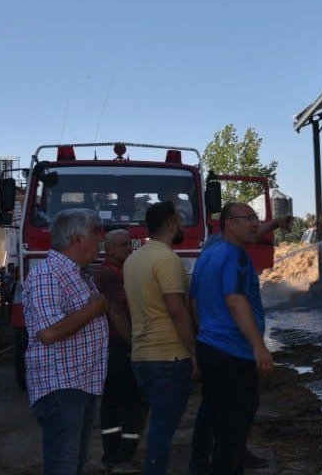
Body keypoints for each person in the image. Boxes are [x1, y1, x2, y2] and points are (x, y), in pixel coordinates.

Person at [188, 202, 273, 475]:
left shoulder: (208, 255)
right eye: (248, 218)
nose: (255, 224)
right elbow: (235, 300)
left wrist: (204, 336)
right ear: (229, 224)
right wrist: (259, 346)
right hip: (233, 352)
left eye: (255, 218)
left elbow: (193, 300)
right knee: (234, 427)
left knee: (214, 411)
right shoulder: (234, 255)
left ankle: (200, 465)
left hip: (211, 347)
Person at [24, 209, 110, 475]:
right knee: (63, 464)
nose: (100, 246)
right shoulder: (47, 275)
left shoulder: (77, 273)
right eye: (96, 239)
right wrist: (94, 309)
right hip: (61, 386)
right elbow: (48, 333)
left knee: (74, 462)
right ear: (77, 239)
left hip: (79, 382)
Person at [123, 201, 200, 475]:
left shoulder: (133, 259)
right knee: (162, 431)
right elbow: (177, 310)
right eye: (180, 220)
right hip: (169, 357)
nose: (181, 225)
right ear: (171, 224)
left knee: (157, 426)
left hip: (141, 357)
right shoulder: (167, 260)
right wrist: (194, 353)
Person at [91, 229, 148, 474]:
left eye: (130, 244)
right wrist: (134, 345)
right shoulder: (112, 275)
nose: (130, 248)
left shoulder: (103, 272)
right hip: (119, 346)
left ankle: (111, 455)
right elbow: (116, 312)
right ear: (109, 249)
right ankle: (124, 456)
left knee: (111, 403)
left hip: (107, 347)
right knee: (136, 401)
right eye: (124, 245)